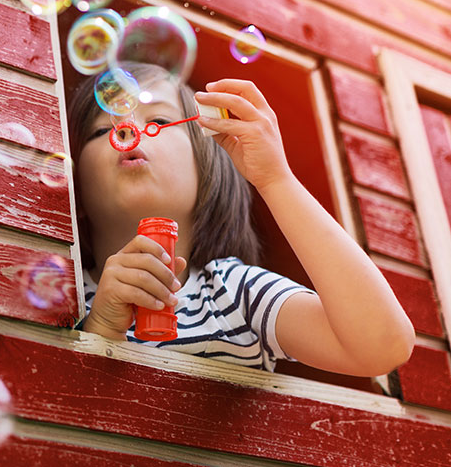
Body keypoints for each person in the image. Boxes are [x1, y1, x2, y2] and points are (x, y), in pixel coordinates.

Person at [67, 62, 415, 375]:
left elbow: (382, 346)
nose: (128, 130)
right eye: (103, 130)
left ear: (208, 170)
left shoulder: (234, 293)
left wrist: (276, 179)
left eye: (158, 120)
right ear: (75, 188)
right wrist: (100, 327)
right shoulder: (68, 297)